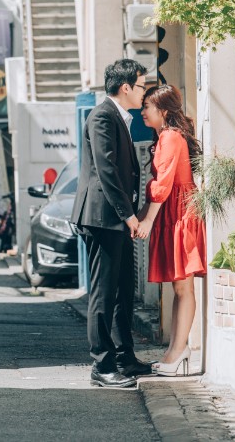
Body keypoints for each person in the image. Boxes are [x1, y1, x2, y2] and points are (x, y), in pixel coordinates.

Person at [71, 58, 151, 389]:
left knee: (123, 290)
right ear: (126, 87)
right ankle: (102, 366)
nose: (145, 93)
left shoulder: (121, 117)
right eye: (142, 86)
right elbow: (106, 172)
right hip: (103, 218)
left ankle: (124, 357)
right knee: (104, 293)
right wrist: (130, 215)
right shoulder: (102, 116)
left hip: (114, 218)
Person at [136, 84, 206, 376]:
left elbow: (162, 184)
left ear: (163, 111)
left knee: (183, 285)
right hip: (174, 212)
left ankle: (179, 350)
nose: (142, 112)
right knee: (179, 287)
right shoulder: (166, 136)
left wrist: (147, 219)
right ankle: (175, 351)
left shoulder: (171, 138)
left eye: (147, 107)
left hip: (179, 213)